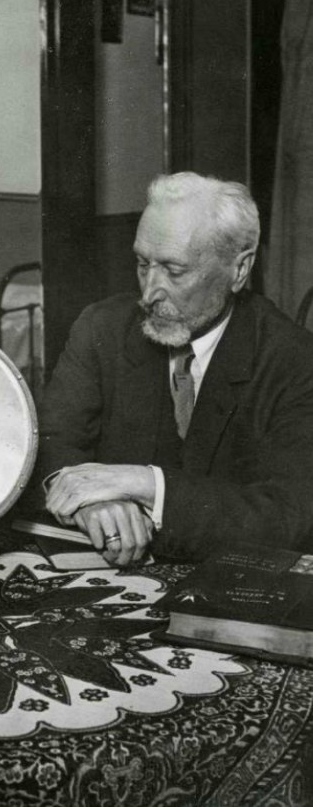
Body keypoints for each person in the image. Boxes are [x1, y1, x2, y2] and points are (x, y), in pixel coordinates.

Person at [39, 171, 313, 566]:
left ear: (239, 270)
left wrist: (144, 483)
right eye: (142, 264)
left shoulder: (295, 360)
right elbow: (49, 443)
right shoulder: (101, 328)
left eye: (174, 271)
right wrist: (88, 504)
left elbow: (287, 518)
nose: (149, 292)